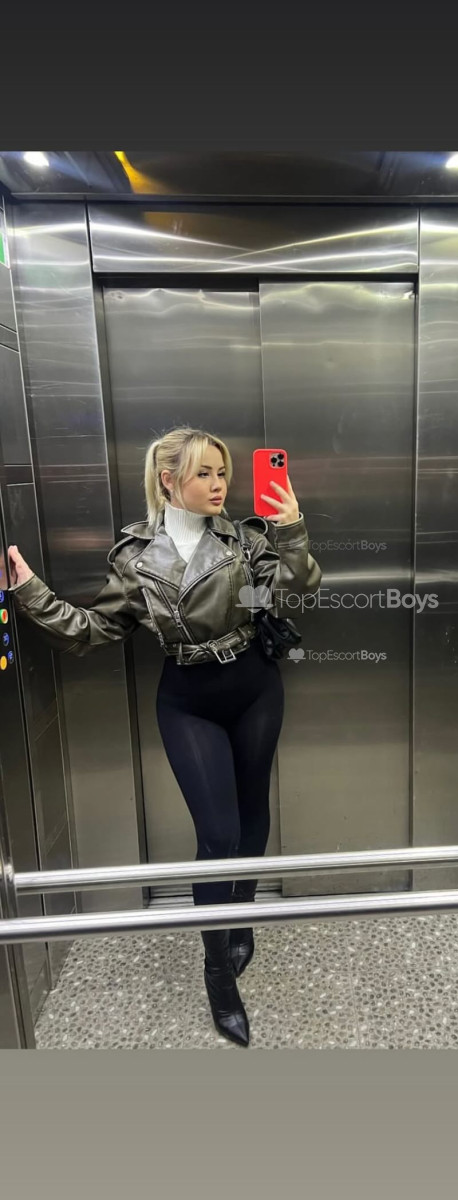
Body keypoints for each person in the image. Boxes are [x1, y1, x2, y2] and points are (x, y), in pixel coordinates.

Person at [7, 426, 322, 1048]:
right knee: (218, 834)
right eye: (204, 473)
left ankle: (240, 918)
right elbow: (93, 630)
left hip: (255, 688)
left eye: (223, 472)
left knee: (253, 816)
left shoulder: (245, 538)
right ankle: (217, 973)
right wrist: (29, 591)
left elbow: (296, 591)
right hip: (188, 700)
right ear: (168, 480)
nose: (219, 484)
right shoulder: (134, 557)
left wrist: (290, 529)